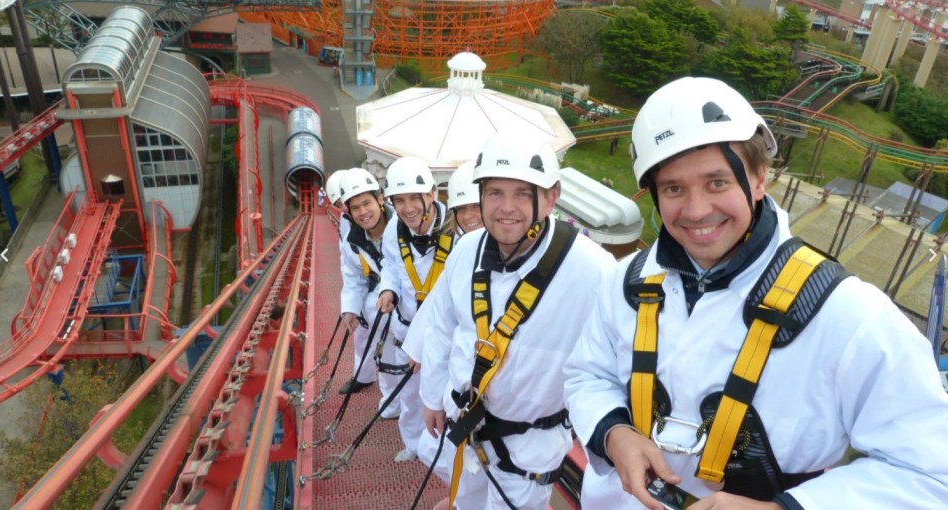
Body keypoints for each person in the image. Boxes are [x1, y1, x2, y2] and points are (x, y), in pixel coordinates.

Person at [564, 77, 948, 510]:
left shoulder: (848, 315)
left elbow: (930, 472)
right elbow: (587, 374)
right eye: (673, 188)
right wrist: (614, 434)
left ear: (759, 178)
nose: (695, 211)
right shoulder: (628, 282)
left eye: (717, 183)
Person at [418, 134, 615, 509]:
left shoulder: (592, 270)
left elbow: (614, 363)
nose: (506, 208)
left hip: (527, 448)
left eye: (523, 193)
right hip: (464, 425)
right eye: (494, 193)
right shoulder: (466, 250)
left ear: (551, 198)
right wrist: (431, 397)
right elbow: (442, 328)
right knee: (464, 500)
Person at [402, 160, 485, 488]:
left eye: (476, 207)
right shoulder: (464, 250)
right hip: (462, 372)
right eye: (462, 210)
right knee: (433, 448)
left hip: (485, 378)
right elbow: (439, 307)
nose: (469, 217)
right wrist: (418, 346)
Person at [376, 156, 450, 462]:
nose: (408, 208)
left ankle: (443, 451)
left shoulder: (455, 230)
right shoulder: (395, 227)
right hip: (405, 325)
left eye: (414, 199)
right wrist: (387, 288)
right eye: (399, 200)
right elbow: (391, 264)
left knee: (443, 394)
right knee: (408, 393)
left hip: (443, 331)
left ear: (431, 194)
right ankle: (414, 443)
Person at [336, 169, 403, 413]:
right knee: (372, 340)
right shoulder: (352, 242)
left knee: (398, 350)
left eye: (367, 203)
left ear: (381, 199)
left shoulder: (402, 226)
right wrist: (349, 310)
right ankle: (378, 391)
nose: (363, 212)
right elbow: (353, 279)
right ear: (349, 213)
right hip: (378, 298)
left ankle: (399, 404)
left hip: (410, 296)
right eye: (356, 207)